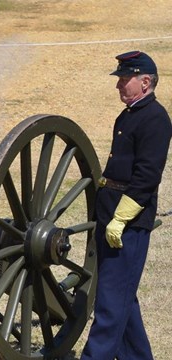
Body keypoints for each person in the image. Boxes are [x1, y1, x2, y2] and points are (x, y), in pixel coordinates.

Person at [81, 51, 172, 359]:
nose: (118, 85)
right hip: (111, 216)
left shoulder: (156, 118)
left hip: (129, 223)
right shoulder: (130, 114)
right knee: (122, 300)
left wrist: (120, 219)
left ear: (145, 82)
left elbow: (147, 177)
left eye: (124, 79)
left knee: (109, 304)